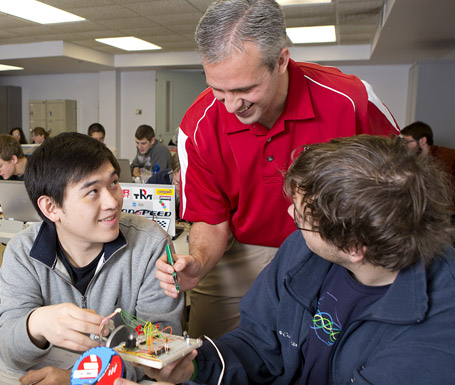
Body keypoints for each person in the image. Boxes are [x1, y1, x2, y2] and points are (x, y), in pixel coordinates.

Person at [117, 135, 455, 385]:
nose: (291, 214)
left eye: (304, 217)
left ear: (354, 247)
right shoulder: (301, 252)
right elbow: (257, 343)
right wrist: (194, 365)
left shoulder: (437, 332)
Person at [155, 0, 400, 339]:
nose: (230, 105)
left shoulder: (351, 100)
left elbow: (398, 187)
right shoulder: (199, 124)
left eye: (244, 89)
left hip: (336, 250)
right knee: (210, 353)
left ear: (281, 60)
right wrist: (197, 261)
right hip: (239, 253)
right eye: (217, 88)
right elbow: (210, 218)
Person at [0, 132, 184, 384]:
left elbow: (161, 351)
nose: (113, 202)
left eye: (113, 183)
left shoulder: (151, 245)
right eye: (93, 192)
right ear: (51, 208)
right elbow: (9, 352)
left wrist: (83, 376)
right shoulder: (23, 252)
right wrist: (35, 324)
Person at [147, 152, 181, 220]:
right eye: (178, 183)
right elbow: (145, 204)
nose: (182, 189)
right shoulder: (158, 179)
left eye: (187, 184)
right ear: (172, 173)